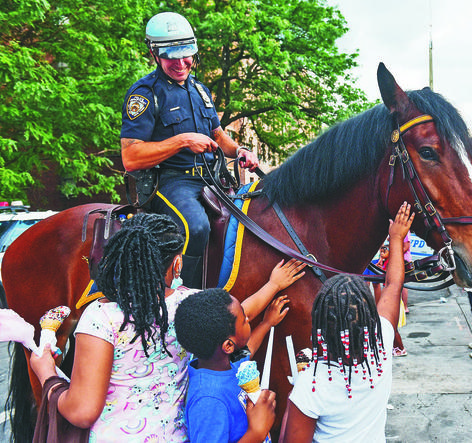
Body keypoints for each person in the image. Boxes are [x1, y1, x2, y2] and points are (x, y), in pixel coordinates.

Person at [29, 213, 305, 441]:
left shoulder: (101, 317)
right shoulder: (189, 304)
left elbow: (82, 411)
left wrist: (47, 374)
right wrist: (273, 285)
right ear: (176, 264)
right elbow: (238, 314)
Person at [120, 11, 259, 289]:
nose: (182, 63)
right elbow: (131, 157)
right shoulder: (144, 94)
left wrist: (240, 150)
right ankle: (187, 298)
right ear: (154, 53)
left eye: (187, 55)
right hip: (172, 181)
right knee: (196, 227)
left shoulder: (200, 89)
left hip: (213, 179)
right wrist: (183, 140)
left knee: (255, 217)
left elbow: (218, 135)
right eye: (172, 56)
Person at [281, 202, 414, 442]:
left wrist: (292, 402)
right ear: (369, 318)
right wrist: (396, 238)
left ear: (319, 323)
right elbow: (393, 286)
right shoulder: (381, 344)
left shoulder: (310, 384)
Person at [174, 288, 290, 442]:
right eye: (244, 320)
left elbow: (248, 349)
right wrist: (257, 432)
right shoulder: (208, 401)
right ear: (228, 346)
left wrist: (266, 323)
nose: (248, 319)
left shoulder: (221, 363)